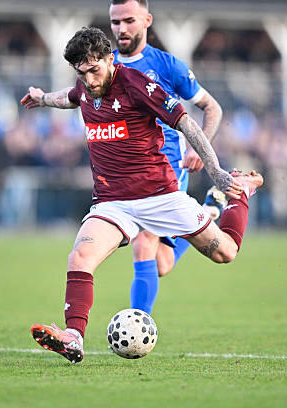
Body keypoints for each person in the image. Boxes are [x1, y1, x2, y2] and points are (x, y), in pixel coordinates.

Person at [20, 27, 262, 363]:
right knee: (80, 257)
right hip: (112, 202)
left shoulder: (137, 85)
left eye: (94, 70)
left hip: (160, 196)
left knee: (226, 253)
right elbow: (70, 97)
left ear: (110, 59)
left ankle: (240, 191)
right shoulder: (85, 87)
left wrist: (217, 171)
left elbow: (187, 124)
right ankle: (73, 337)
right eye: (81, 72)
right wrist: (43, 98)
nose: (89, 80)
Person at [108, 0, 224, 315]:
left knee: (144, 242)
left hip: (166, 168)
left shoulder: (168, 66)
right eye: (115, 22)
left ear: (147, 20)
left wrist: (198, 148)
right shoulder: (106, 66)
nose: (121, 28)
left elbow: (212, 107)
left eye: (129, 20)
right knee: (161, 263)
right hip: (128, 174)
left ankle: (137, 324)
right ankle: (208, 212)